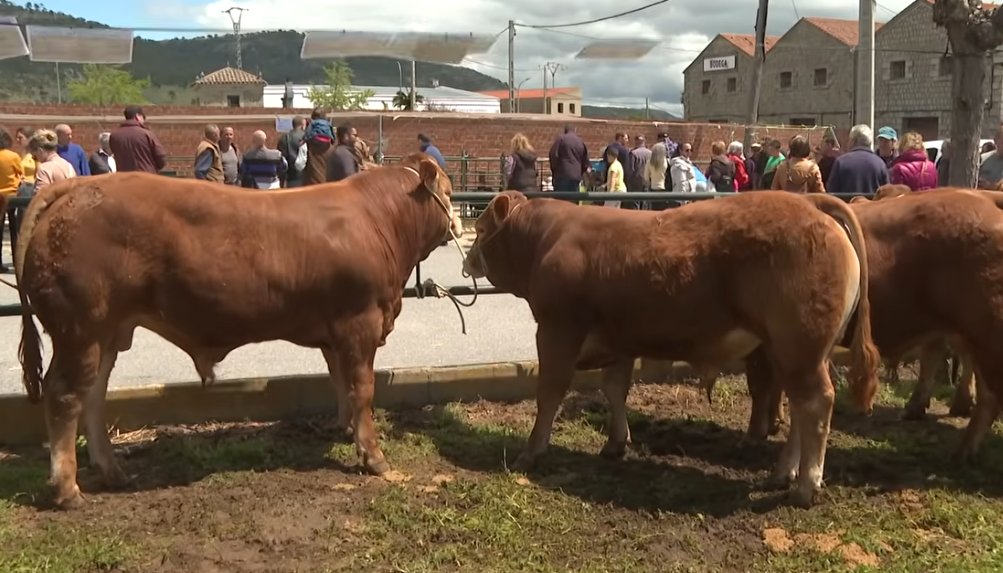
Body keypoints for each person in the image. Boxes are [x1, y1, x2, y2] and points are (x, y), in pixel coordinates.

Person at [827, 124, 890, 195]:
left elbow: (831, 192)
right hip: (873, 205)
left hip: (848, 205)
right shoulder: (880, 164)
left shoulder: (841, 162)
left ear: (853, 141)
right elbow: (887, 193)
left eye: (849, 140)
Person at [109, 106, 167, 173]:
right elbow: (160, 155)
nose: (143, 120)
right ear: (137, 116)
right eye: (143, 117)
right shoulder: (146, 134)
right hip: (145, 176)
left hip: (124, 177)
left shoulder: (114, 135)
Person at [0, 127, 23, 273]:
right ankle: (17, 261)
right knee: (14, 231)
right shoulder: (13, 156)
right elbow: (20, 174)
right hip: (13, 196)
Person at [548, 124, 590, 196]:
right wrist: (581, 171)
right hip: (576, 175)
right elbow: (585, 159)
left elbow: (553, 155)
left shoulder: (561, 139)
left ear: (565, 131)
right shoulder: (580, 141)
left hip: (562, 174)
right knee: (573, 200)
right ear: (575, 130)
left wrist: (554, 169)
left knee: (560, 200)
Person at [31, 129, 76, 194]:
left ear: (40, 151)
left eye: (34, 157)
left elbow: (40, 197)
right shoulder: (69, 165)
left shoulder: (44, 168)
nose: (37, 160)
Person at [303, 108, 334, 186]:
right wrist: (332, 140)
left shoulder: (313, 123)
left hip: (316, 139)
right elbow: (333, 134)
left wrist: (305, 138)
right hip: (327, 141)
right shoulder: (328, 124)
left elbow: (308, 132)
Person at [277, 116, 307, 187]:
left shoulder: (284, 138)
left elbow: (281, 159)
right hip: (304, 175)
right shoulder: (306, 137)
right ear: (302, 125)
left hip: (290, 176)